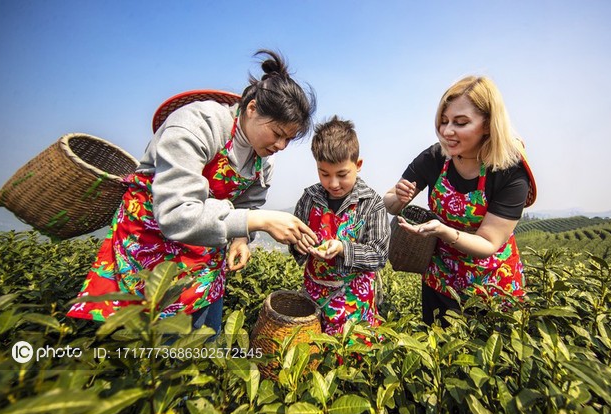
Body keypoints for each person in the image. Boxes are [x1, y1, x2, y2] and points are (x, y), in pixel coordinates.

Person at [67, 49, 318, 334]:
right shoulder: (197, 124)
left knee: (199, 342)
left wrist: (240, 239)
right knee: (149, 344)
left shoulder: (263, 162)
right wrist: (260, 222)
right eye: (277, 133)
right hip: (152, 245)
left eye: (288, 139)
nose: (281, 146)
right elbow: (176, 214)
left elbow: (247, 204)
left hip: (204, 254)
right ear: (252, 109)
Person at [383, 76, 536, 326]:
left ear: (487, 124)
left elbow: (489, 242)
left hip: (492, 288)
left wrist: (444, 231)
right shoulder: (435, 157)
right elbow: (388, 201)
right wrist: (398, 199)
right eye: (443, 122)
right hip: (440, 282)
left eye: (460, 123)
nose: (447, 131)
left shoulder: (510, 170)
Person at [290, 116, 390, 335]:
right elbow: (294, 240)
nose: (333, 184)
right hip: (313, 296)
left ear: (358, 165)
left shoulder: (371, 203)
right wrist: (299, 244)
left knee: (352, 356)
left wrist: (344, 248)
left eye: (342, 174)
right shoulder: (310, 198)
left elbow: (379, 254)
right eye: (324, 174)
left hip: (355, 302)